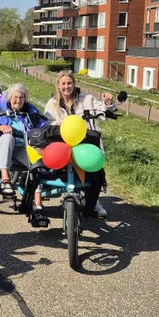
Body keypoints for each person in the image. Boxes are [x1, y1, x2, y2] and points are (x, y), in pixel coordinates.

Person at [43, 70, 115, 220]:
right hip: (62, 144)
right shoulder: (52, 103)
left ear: (74, 84)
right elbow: (46, 122)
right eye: (63, 83)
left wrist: (108, 103)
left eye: (69, 83)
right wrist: (57, 124)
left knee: (96, 174)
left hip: (85, 143)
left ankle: (94, 203)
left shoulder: (86, 99)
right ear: (58, 85)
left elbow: (103, 111)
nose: (66, 86)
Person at [0, 84, 50, 226]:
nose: (18, 100)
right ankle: (5, 179)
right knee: (8, 137)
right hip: (3, 145)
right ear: (9, 98)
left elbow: (44, 127)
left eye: (21, 97)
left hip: (24, 148)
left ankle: (38, 207)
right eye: (15, 97)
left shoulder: (32, 111)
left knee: (37, 166)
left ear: (25, 98)